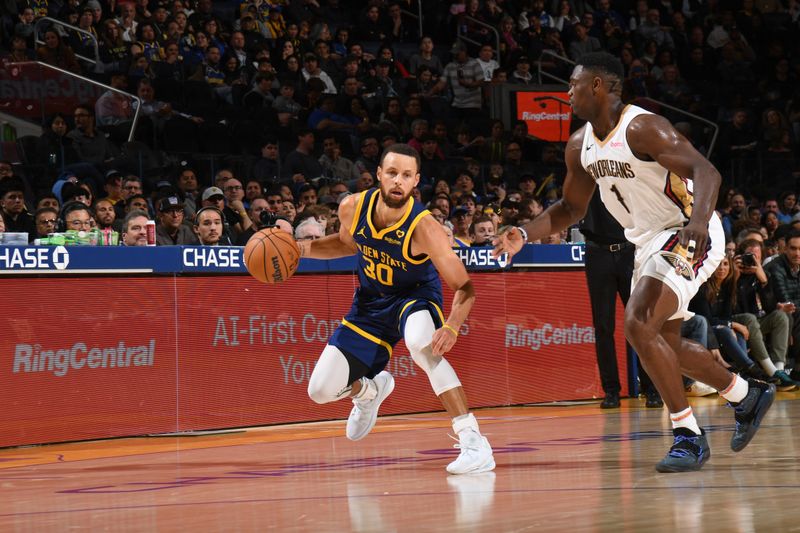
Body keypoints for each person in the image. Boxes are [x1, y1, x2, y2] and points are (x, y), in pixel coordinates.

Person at [493, 52, 774, 473]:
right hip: (646, 242)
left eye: (573, 83)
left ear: (599, 86)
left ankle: (688, 437)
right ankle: (746, 395)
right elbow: (570, 207)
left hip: (687, 230)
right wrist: (524, 233)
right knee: (665, 344)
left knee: (638, 322)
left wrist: (697, 224)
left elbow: (707, 172)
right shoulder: (580, 145)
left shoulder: (642, 127)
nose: (566, 92)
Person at [301, 143, 494, 475]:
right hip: (371, 301)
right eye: (391, 173)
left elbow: (465, 288)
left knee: (423, 347)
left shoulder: (425, 227)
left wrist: (451, 326)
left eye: (406, 175)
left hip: (414, 297)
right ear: (378, 174)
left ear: (416, 181)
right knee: (319, 390)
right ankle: (369, 391)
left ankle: (474, 441)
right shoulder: (352, 206)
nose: (397, 181)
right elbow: (346, 243)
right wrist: (300, 249)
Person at [580, 191, 661, 409]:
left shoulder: (626, 170)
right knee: (603, 326)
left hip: (629, 251)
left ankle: (651, 388)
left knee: (640, 324)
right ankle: (611, 391)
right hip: (597, 253)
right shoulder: (589, 167)